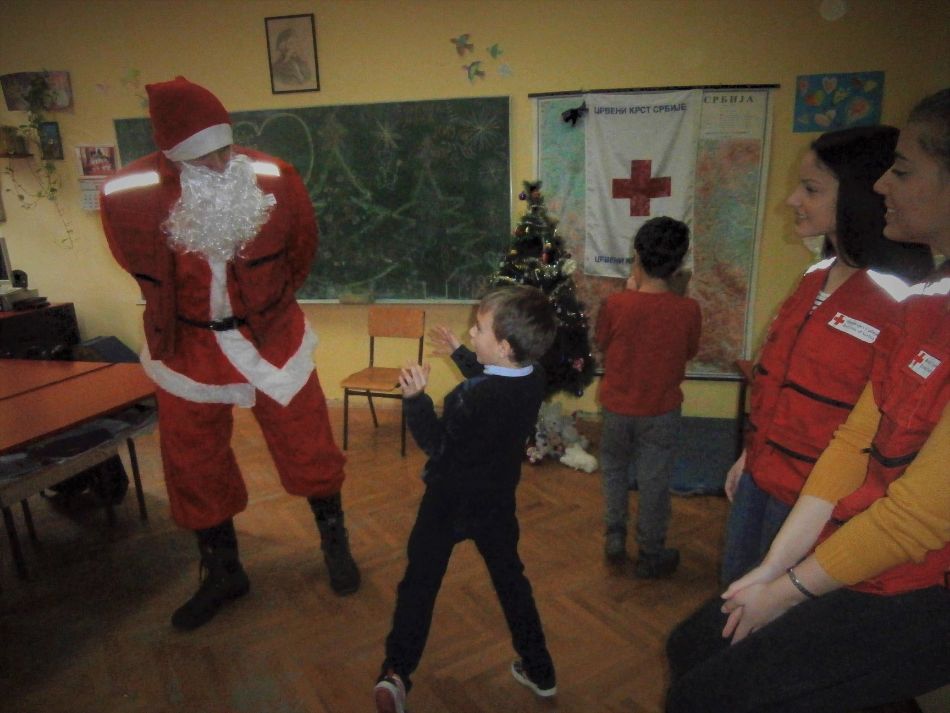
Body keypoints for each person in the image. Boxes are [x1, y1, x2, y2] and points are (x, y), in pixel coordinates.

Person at [665, 87, 950, 713]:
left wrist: (789, 584)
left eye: (903, 172)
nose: (885, 185)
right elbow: (811, 403)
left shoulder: (899, 295)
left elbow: (913, 510)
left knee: (732, 678)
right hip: (776, 484)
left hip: (868, 543)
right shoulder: (899, 296)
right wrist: (753, 456)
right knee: (715, 632)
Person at [99, 76, 360, 631]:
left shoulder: (275, 176)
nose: (221, 163)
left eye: (225, 147)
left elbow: (301, 250)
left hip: (271, 334)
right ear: (171, 155)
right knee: (192, 462)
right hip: (185, 345)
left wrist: (263, 305)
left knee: (309, 443)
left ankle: (335, 542)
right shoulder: (125, 193)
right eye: (203, 156)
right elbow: (130, 259)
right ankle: (223, 571)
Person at [720, 125, 934, 585]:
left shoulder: (904, 300)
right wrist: (749, 455)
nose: (793, 200)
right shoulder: (814, 276)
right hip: (760, 478)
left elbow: (878, 431)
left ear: (859, 196)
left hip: (816, 504)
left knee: (777, 614)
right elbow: (778, 382)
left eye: (811, 189)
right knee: (734, 594)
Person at [374, 286, 559, 713]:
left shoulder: (467, 398)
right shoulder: (534, 377)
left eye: (478, 328)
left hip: (447, 503)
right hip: (495, 503)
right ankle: (540, 669)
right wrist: (462, 354)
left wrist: (415, 400)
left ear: (504, 346)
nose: (471, 332)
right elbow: (496, 379)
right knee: (511, 582)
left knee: (419, 584)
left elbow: (437, 444)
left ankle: (396, 673)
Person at [595, 216, 702, 577]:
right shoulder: (688, 310)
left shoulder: (615, 305)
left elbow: (603, 342)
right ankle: (651, 553)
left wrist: (630, 294)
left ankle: (615, 536)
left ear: (637, 258)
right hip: (661, 412)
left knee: (614, 471)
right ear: (678, 264)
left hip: (617, 408)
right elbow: (689, 351)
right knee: (655, 482)